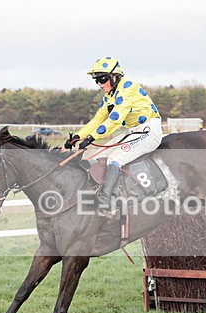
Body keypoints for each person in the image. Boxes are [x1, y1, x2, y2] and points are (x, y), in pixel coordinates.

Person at [65, 57, 163, 216]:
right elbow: (97, 120)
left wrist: (91, 138)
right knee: (100, 157)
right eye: (96, 80)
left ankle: (106, 200)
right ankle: (100, 193)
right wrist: (77, 137)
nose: (99, 84)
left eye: (102, 79)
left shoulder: (128, 88)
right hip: (134, 131)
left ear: (114, 76)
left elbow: (115, 119)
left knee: (114, 159)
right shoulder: (108, 97)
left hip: (149, 130)